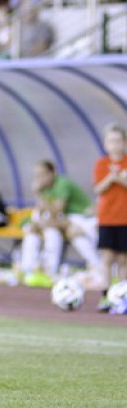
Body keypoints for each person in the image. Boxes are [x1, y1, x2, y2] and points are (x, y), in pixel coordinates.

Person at [20, 160, 102, 287]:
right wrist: (39, 221)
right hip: (67, 219)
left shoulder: (63, 184)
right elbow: (42, 211)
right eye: (36, 176)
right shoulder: (45, 188)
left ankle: (98, 267)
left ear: (52, 173)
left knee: (70, 232)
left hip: (84, 219)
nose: (39, 179)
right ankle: (30, 269)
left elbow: (57, 210)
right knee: (38, 229)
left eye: (42, 175)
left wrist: (39, 194)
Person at [94, 124, 127, 312]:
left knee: (124, 260)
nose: (115, 145)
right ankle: (105, 296)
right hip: (107, 219)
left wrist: (119, 178)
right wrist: (111, 177)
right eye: (111, 141)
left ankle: (123, 296)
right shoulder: (101, 164)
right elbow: (98, 188)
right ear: (106, 144)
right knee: (106, 259)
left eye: (118, 141)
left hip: (125, 219)